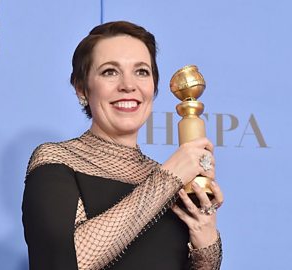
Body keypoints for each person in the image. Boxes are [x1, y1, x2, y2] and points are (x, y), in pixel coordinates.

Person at [22, 21, 223, 270]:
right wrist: (169, 176)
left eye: (141, 72)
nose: (128, 85)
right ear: (82, 88)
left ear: (153, 87)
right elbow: (66, 260)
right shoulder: (57, 160)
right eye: (110, 71)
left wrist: (206, 240)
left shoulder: (173, 180)